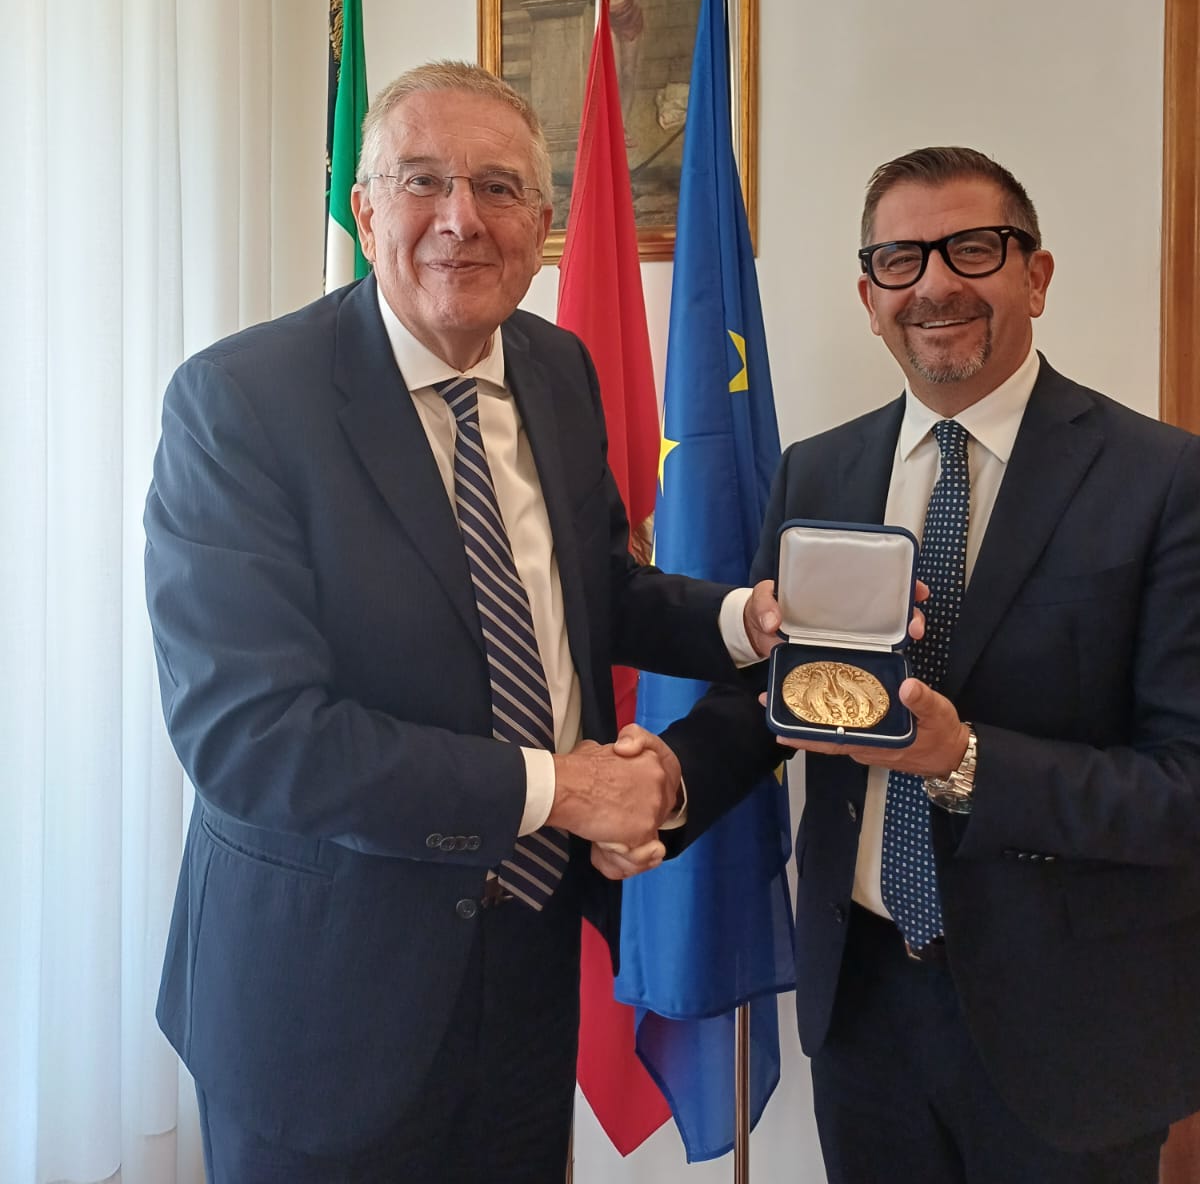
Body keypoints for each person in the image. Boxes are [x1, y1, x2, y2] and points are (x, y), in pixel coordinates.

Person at [144, 62, 763, 1182]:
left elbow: (588, 593)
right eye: (422, 179)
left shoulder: (557, 369)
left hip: (527, 958)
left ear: (542, 223)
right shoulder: (240, 401)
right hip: (322, 997)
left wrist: (741, 621)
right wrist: (560, 788)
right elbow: (251, 738)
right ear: (363, 206)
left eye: (499, 186)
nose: (461, 218)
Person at [636, 147, 1200, 1184]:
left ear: (1036, 276)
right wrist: (666, 782)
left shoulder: (1163, 480)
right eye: (900, 260)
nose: (935, 283)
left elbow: (1184, 783)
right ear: (869, 298)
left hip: (1071, 1027)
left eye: (972, 248)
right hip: (865, 1012)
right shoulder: (819, 470)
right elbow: (773, 697)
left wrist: (966, 759)